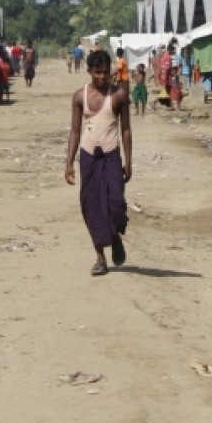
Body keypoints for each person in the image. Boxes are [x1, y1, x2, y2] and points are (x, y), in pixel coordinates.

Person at [65, 50, 133, 276]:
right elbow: (75, 131)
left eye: (105, 72)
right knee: (91, 206)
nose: (102, 77)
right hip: (88, 157)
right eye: (97, 73)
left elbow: (126, 129)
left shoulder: (119, 95)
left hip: (111, 156)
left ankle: (115, 236)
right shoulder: (79, 97)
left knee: (116, 203)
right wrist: (69, 163)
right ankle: (100, 258)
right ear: (89, 72)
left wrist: (129, 162)